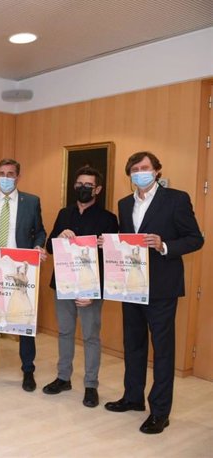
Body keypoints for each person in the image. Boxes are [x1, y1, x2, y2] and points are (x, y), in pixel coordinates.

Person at [104, 151, 203, 434]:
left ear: (157, 171)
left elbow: (195, 239)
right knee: (133, 344)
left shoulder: (176, 199)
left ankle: (160, 411)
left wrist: (164, 245)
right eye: (134, 169)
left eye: (144, 168)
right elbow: (126, 242)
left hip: (162, 287)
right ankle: (132, 397)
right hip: (130, 286)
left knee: (162, 350)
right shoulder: (124, 204)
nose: (139, 173)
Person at [42, 166, 118, 407]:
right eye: (79, 184)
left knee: (90, 336)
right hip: (63, 283)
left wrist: (96, 293)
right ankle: (63, 377)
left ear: (97, 189)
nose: (83, 188)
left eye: (88, 185)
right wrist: (59, 236)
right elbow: (50, 247)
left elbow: (113, 259)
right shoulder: (64, 213)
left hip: (91, 288)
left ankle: (90, 385)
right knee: (64, 332)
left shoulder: (109, 219)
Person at [0, 158, 47, 391]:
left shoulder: (31, 201)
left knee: (23, 317)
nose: (5, 177)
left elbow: (40, 231)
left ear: (18, 177)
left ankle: (28, 370)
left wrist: (38, 246)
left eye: (10, 173)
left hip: (20, 268)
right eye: (2, 173)